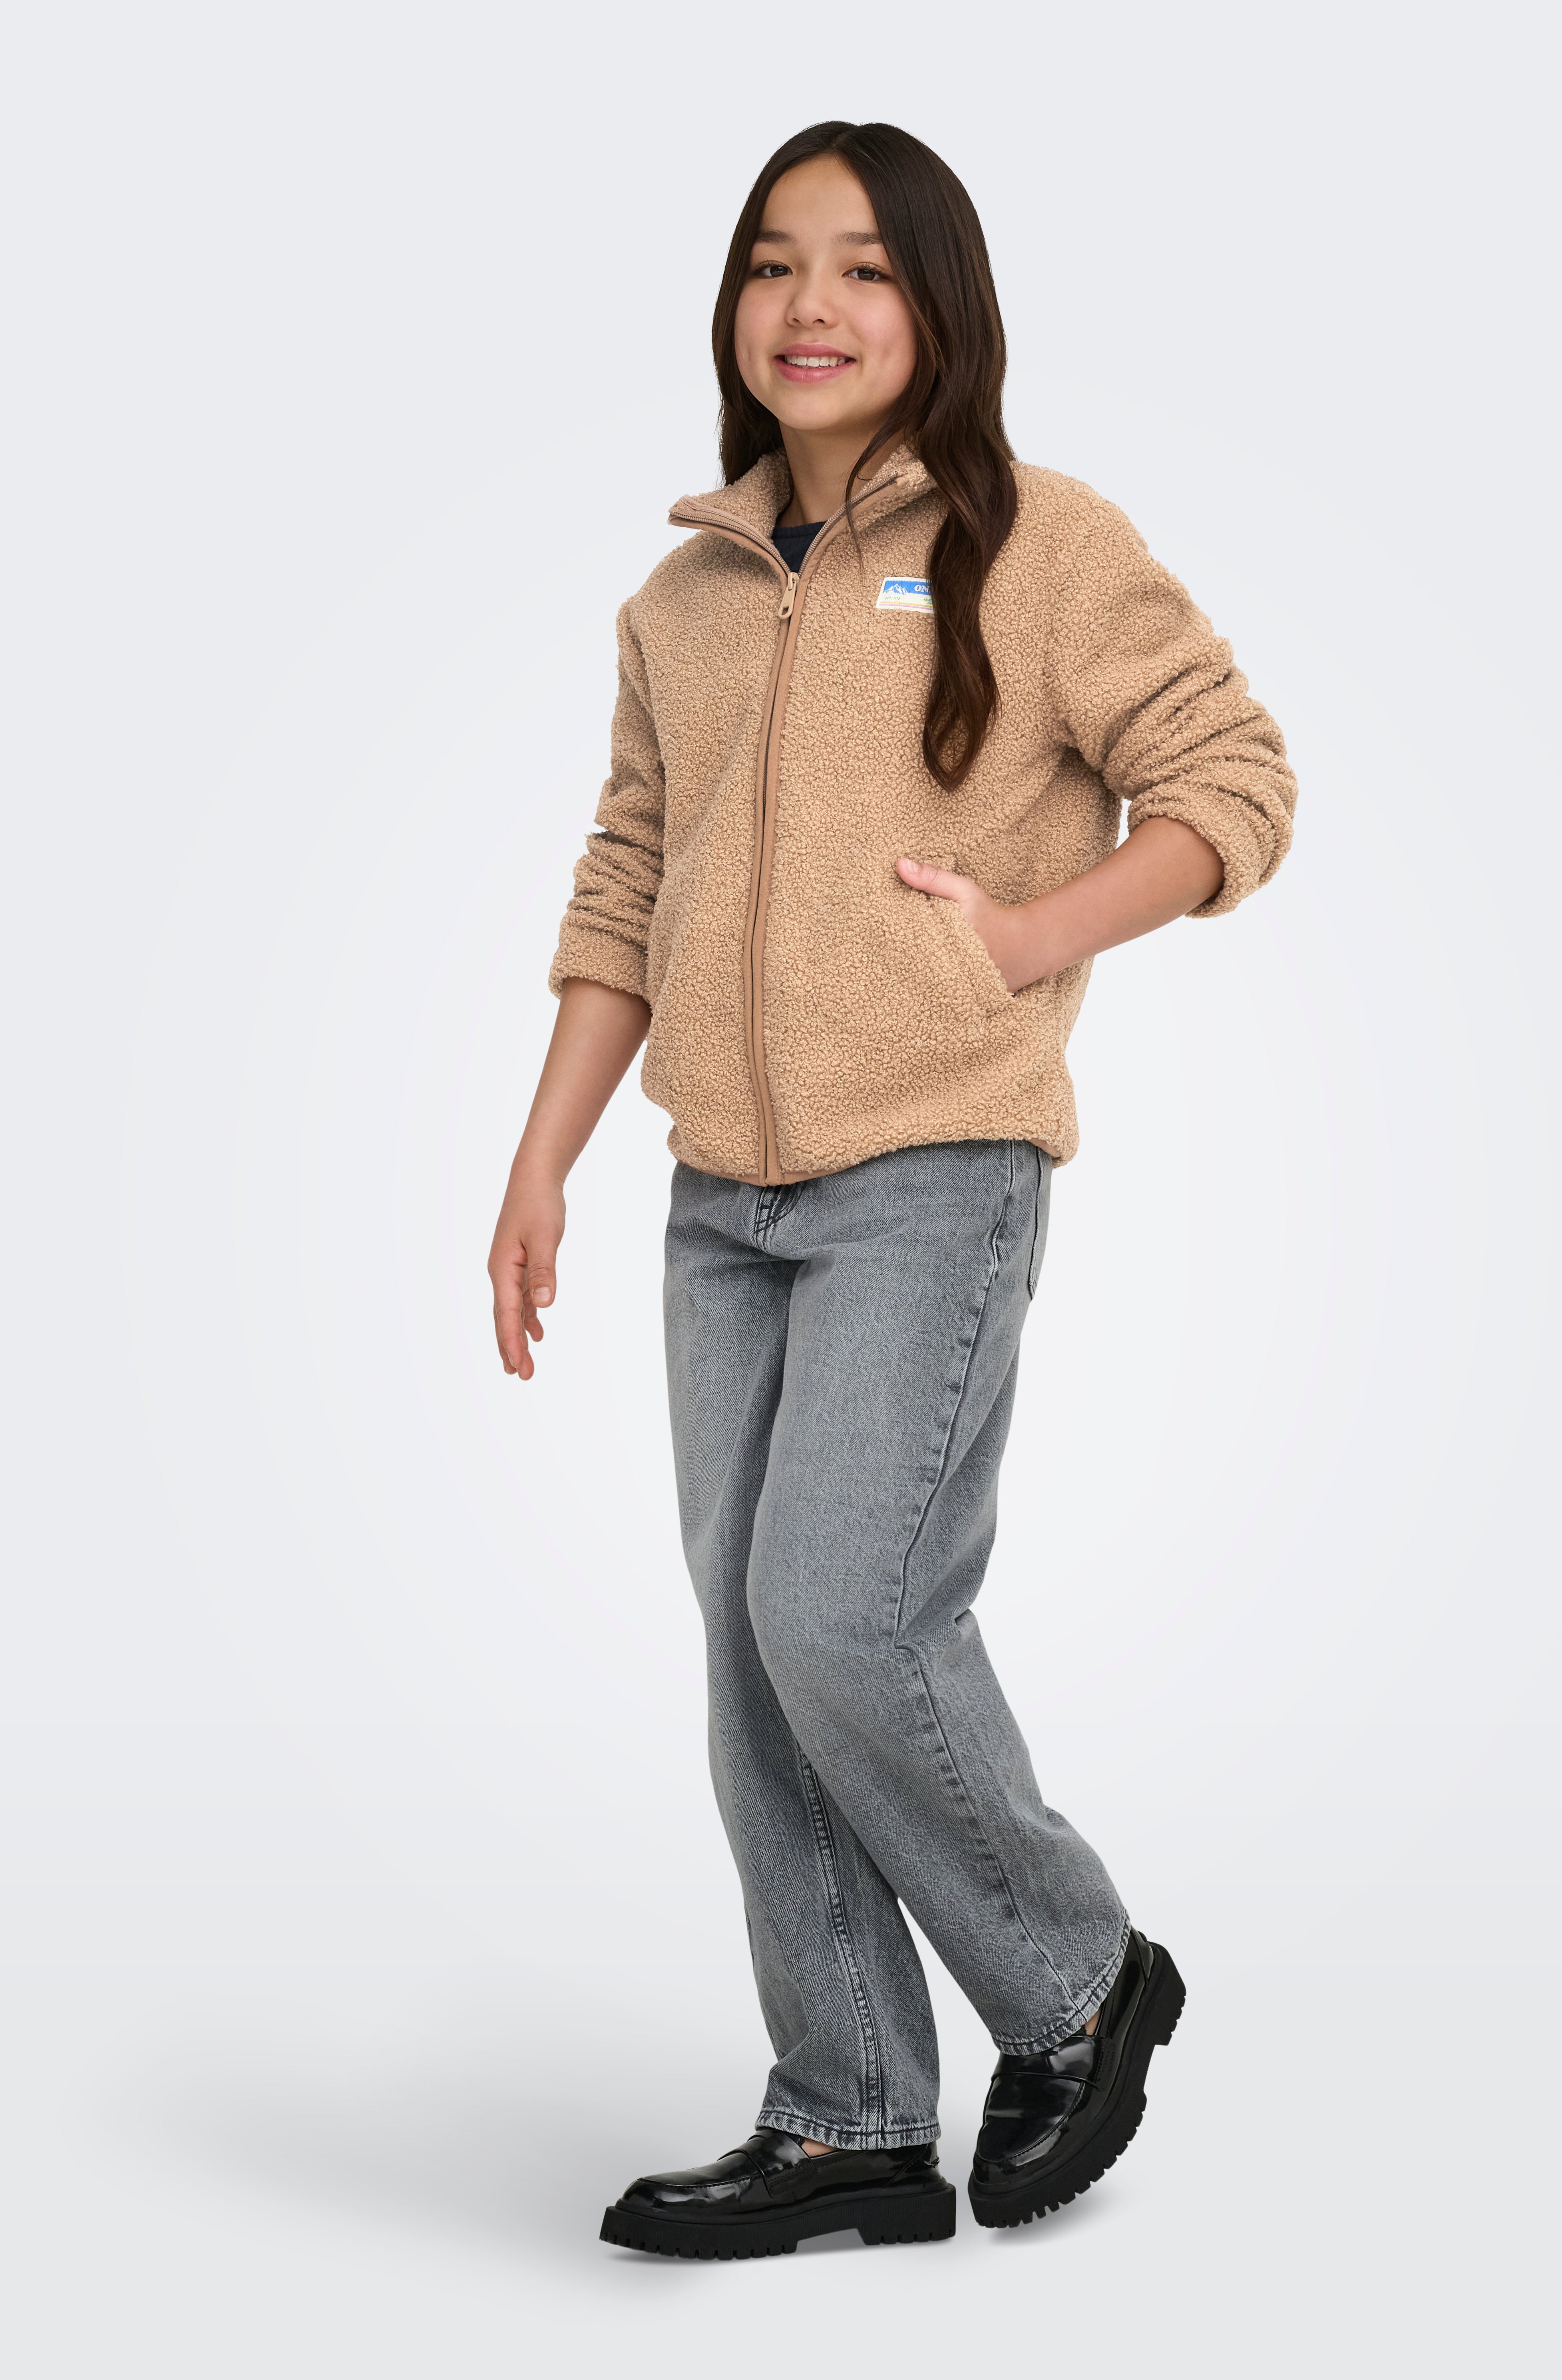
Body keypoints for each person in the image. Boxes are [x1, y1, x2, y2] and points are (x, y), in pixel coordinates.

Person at [488, 120, 1297, 2260]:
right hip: (717, 1200)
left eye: (861, 265)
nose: (812, 305)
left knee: (841, 1610)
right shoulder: (680, 601)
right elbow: (627, 877)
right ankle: (847, 2110)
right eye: (773, 263)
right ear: (731, 309)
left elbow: (1231, 780)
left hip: (931, 1159)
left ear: (940, 304)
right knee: (756, 1659)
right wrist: (543, 1155)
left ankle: (1078, 1977)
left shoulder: (1040, 544)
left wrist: (1025, 941)